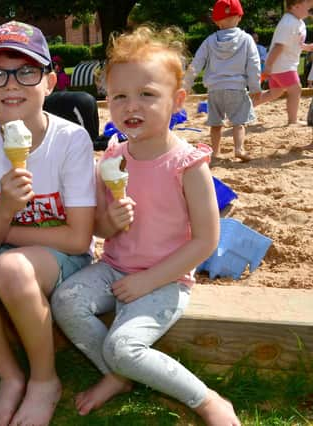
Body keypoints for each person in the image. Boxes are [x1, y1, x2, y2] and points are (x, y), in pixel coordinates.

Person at [50, 25, 241, 426]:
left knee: (124, 345)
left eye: (147, 95)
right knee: (65, 301)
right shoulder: (113, 158)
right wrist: (110, 221)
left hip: (168, 278)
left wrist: (149, 280)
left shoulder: (188, 164)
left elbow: (207, 240)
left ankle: (205, 399)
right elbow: (100, 230)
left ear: (178, 101)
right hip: (116, 267)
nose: (131, 106)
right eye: (120, 96)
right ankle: (117, 376)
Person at [0, 21, 96, 426]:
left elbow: (79, 239)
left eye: (26, 71)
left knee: (9, 266)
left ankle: (45, 380)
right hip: (4, 252)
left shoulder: (71, 140)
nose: (11, 84)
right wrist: (7, 205)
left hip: (63, 261)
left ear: (49, 81)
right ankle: (10, 377)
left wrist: (2, 226)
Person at [184, 0, 260, 162]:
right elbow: (254, 64)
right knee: (239, 122)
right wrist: (255, 87)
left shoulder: (210, 41)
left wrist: (186, 84)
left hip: (214, 89)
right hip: (236, 88)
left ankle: (216, 152)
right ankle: (239, 148)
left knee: (215, 123)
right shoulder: (246, 39)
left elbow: (197, 63)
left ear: (216, 21)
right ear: (239, 17)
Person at [254, 0, 313, 125]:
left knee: (275, 93)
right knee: (295, 90)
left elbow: (295, 42)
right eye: (309, 5)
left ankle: (246, 108)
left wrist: (306, 47)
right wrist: (268, 66)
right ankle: (293, 121)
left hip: (283, 65)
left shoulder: (299, 22)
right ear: (296, 6)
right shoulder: (288, 22)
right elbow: (278, 46)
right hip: (282, 65)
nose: (311, 7)